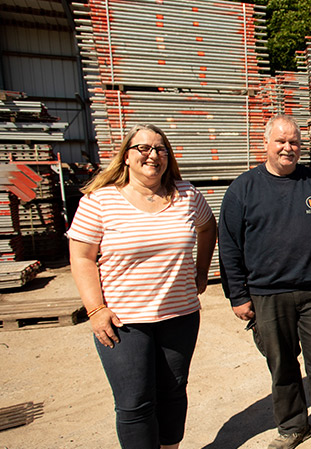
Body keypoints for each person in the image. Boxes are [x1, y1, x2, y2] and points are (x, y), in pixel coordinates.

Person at [67, 123, 217, 449]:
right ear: (126, 157)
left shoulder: (187, 195)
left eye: (160, 149)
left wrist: (202, 271)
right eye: (143, 148)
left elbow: (208, 228)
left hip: (180, 316)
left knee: (173, 392)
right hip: (124, 321)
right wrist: (95, 309)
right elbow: (81, 257)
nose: (153, 155)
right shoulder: (100, 201)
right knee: (135, 403)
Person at [217, 115, 311, 449]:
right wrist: (237, 295)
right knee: (281, 366)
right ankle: (293, 426)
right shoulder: (243, 189)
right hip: (267, 295)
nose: (287, 148)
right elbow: (229, 246)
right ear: (265, 144)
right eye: (280, 141)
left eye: (294, 142)